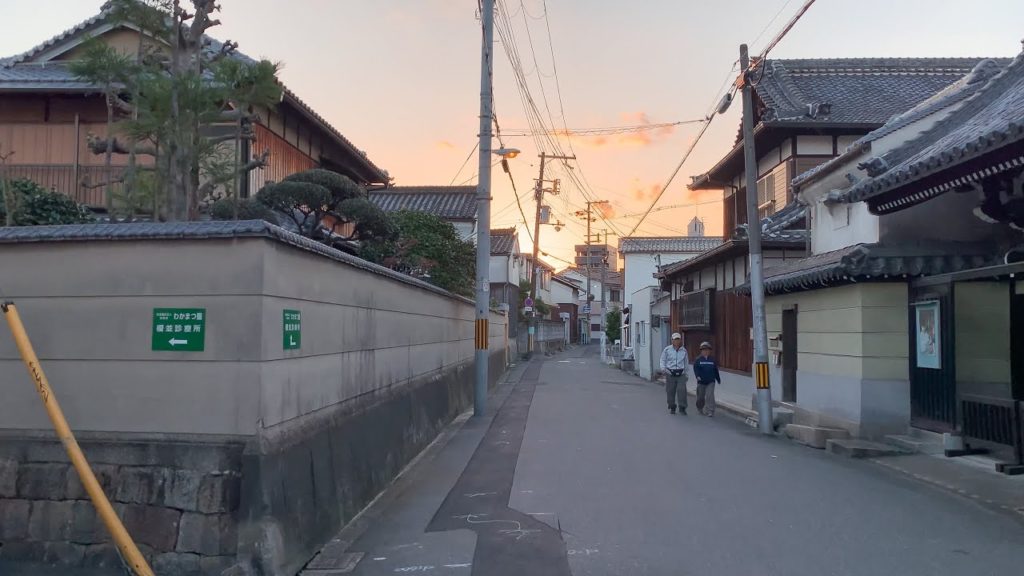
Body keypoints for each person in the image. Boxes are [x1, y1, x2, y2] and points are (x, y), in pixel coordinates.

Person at [659, 332, 689, 415]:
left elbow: (686, 362)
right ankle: (672, 406)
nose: (676, 341)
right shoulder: (667, 350)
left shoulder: (684, 350)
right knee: (670, 391)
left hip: (681, 373)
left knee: (682, 390)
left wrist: (686, 373)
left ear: (680, 340)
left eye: (678, 339)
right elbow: (662, 360)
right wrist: (663, 369)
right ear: (672, 340)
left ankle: (682, 407)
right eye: (675, 339)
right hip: (670, 373)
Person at [692, 341, 721, 417]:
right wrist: (697, 376)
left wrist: (718, 379)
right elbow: (696, 369)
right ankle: (700, 407)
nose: (706, 351)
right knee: (700, 397)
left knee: (710, 395)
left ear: (710, 351)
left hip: (711, 381)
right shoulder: (698, 359)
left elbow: (715, 370)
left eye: (707, 350)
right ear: (701, 351)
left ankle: (710, 410)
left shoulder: (712, 360)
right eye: (704, 350)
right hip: (701, 381)